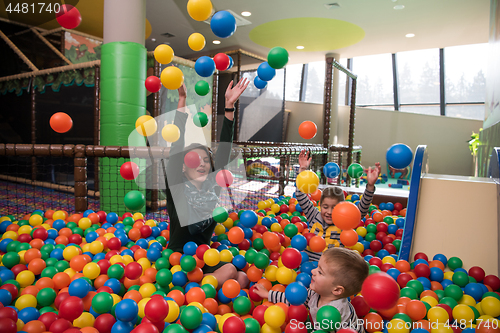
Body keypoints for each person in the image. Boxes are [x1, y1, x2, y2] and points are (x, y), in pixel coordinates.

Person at [164, 78, 250, 288]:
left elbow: (224, 149)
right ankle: (192, 294)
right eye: (194, 160)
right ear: (183, 167)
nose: (201, 164)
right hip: (177, 262)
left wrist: (229, 106)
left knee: (243, 278)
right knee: (230, 270)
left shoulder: (213, 187)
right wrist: (182, 98)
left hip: (203, 259)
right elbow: (177, 146)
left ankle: (197, 290)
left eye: (205, 160)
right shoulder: (176, 188)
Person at [253, 247, 368, 333]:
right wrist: (268, 294)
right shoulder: (316, 293)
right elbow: (294, 299)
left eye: (320, 272)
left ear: (337, 290)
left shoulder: (333, 314)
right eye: (317, 267)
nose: (313, 271)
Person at [297, 150, 381, 262]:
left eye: (335, 208)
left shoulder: (344, 222)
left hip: (331, 269)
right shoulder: (313, 215)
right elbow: (300, 195)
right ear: (320, 205)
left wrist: (370, 186)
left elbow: (361, 210)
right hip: (307, 263)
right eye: (325, 207)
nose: (329, 212)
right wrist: (302, 170)